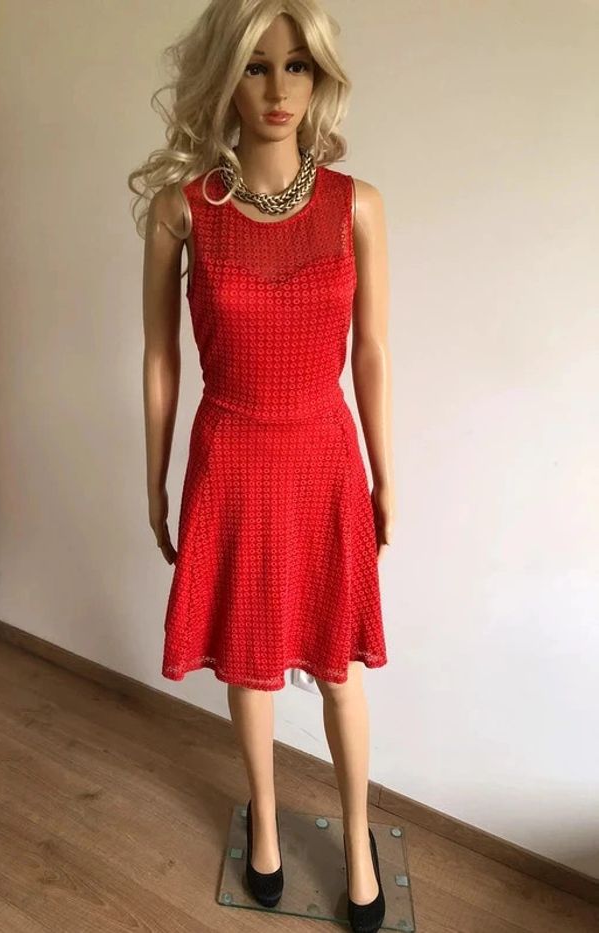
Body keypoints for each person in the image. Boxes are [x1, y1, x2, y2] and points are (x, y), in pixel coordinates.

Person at [129, 2, 393, 930]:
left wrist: (386, 473)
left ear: (319, 77)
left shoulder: (357, 204)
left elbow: (371, 351)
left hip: (323, 454)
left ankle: (357, 838)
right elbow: (160, 355)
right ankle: (268, 828)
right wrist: (155, 477)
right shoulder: (182, 210)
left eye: (297, 66)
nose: (278, 89)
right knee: (248, 658)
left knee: (338, 663)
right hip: (232, 453)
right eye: (255, 66)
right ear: (224, 76)